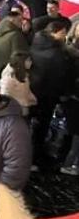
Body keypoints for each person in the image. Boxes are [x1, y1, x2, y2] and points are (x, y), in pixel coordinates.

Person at [29, 21, 71, 167]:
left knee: (33, 125)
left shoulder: (37, 41)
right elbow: (60, 78)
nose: (65, 36)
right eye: (63, 33)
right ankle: (36, 157)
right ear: (55, 32)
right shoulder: (56, 53)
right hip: (47, 94)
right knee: (41, 127)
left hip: (34, 90)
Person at [0, 11, 29, 77]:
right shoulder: (16, 35)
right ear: (12, 20)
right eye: (19, 20)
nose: (22, 22)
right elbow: (19, 57)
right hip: (8, 74)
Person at [0, 51, 36, 116]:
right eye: (28, 60)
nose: (31, 62)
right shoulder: (9, 78)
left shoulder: (23, 74)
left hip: (22, 107)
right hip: (15, 111)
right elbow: (4, 96)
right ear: (21, 62)